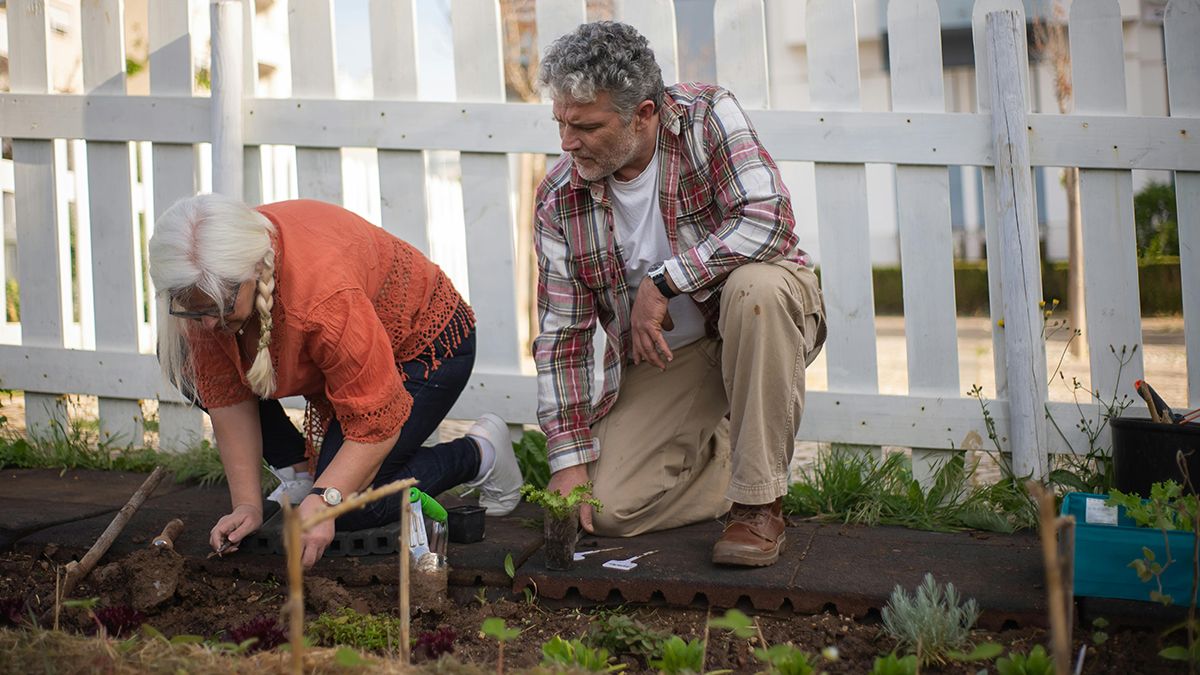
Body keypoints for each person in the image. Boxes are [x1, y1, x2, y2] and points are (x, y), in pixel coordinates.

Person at [534, 21, 826, 567]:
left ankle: (758, 503)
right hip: (674, 358)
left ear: (643, 113)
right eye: (561, 123)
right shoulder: (559, 198)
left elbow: (771, 220)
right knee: (609, 510)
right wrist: (567, 458)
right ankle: (728, 457)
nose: (567, 142)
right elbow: (562, 337)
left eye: (586, 126)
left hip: (761, 319)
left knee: (754, 287)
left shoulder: (708, 117)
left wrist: (664, 281)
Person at [149, 195, 523, 569]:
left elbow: (373, 425)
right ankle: (299, 473)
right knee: (184, 360)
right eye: (194, 309)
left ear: (253, 273)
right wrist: (246, 504)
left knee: (351, 510)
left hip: (423, 346)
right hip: (352, 343)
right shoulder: (211, 286)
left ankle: (479, 453)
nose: (210, 323)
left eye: (220, 308)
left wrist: (327, 500)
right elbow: (227, 396)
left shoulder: (322, 297)